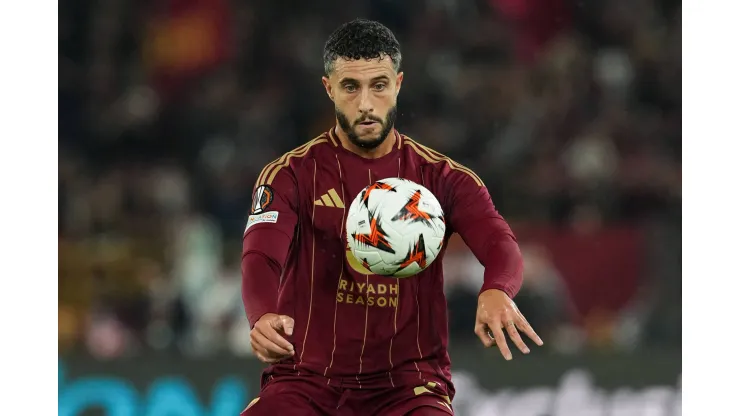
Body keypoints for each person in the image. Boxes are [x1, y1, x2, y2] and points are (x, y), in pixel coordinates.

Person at [241, 19, 543, 416]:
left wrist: (498, 289)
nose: (366, 103)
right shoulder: (290, 174)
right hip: (306, 381)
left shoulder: (445, 178)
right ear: (329, 89)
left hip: (409, 386)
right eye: (351, 86)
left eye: (378, 85)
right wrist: (262, 314)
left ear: (398, 84)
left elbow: (500, 244)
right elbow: (261, 257)